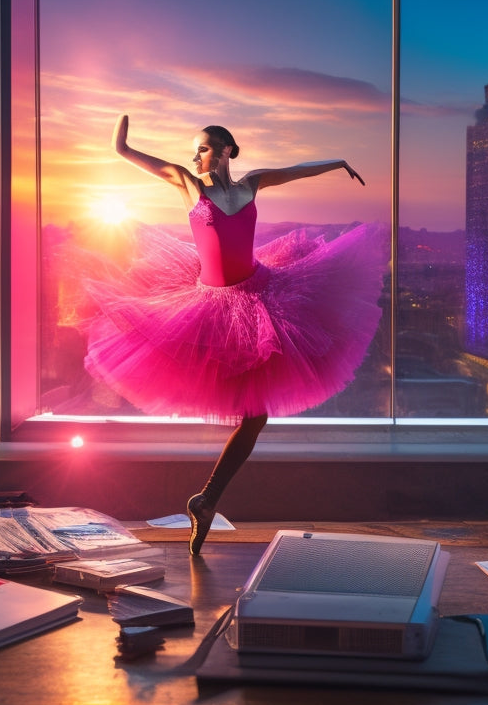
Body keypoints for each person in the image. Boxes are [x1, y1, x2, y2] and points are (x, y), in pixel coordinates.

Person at [83, 114, 383, 555]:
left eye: (203, 148)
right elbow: (131, 156)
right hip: (212, 306)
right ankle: (205, 500)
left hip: (261, 294)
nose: (195, 155)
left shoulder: (251, 183)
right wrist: (121, 140)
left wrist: (336, 162)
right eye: (195, 149)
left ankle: (205, 500)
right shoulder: (190, 184)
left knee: (255, 414)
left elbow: (296, 171)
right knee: (246, 406)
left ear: (226, 150)